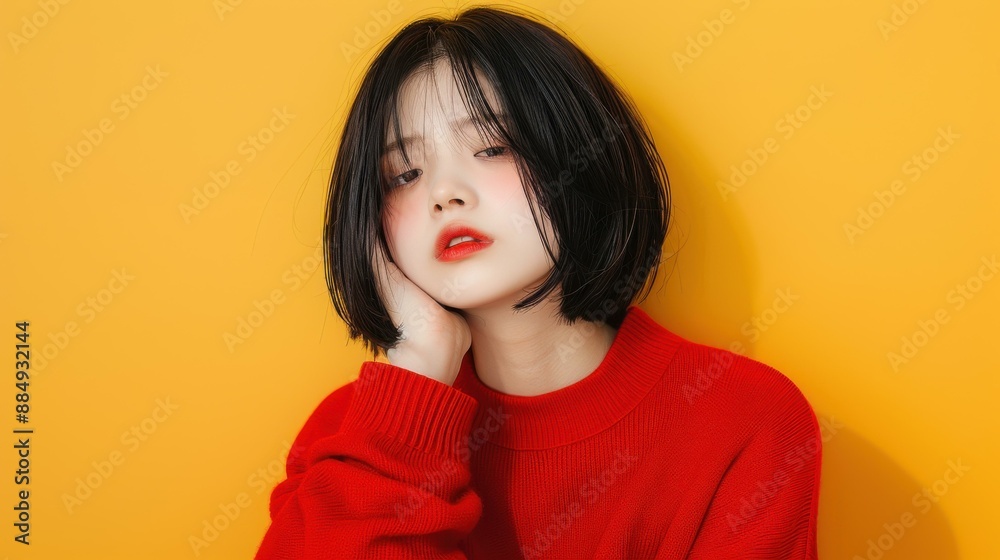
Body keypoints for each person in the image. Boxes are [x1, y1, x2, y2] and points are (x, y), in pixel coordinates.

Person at [254, 6, 821, 559]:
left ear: (581, 154)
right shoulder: (353, 437)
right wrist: (415, 381)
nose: (444, 193)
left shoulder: (744, 423)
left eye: (493, 147)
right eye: (404, 174)